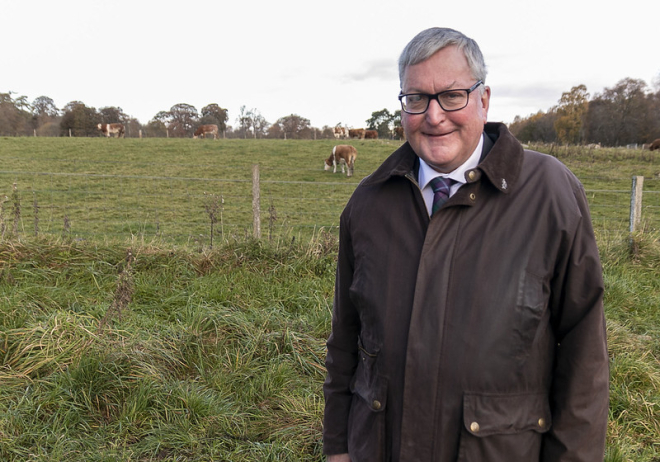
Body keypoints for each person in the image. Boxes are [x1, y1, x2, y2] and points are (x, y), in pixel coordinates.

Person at [322, 27, 609, 462]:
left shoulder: (550, 193)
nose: (434, 116)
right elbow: (346, 337)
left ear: (484, 100)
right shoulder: (368, 202)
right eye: (416, 98)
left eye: (452, 95)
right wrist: (338, 449)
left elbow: (584, 355)